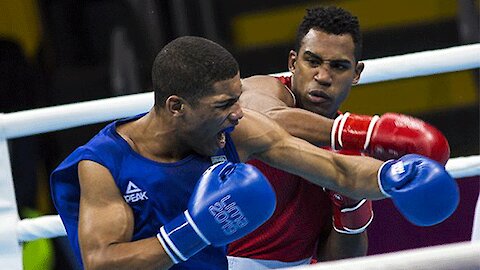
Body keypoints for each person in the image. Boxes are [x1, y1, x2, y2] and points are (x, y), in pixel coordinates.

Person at [50, 36, 458, 270]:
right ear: (177, 107)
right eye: (222, 105)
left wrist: (392, 176)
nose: (238, 114)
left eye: (237, 98)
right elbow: (101, 262)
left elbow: (335, 168)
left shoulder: (237, 132)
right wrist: (195, 232)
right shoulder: (104, 163)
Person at [227, 6, 452, 269]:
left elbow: (337, 262)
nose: (322, 77)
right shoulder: (266, 90)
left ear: (356, 73)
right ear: (292, 62)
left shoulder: (352, 155)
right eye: (312, 62)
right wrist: (370, 131)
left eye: (338, 66)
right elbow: (266, 117)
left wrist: (351, 210)